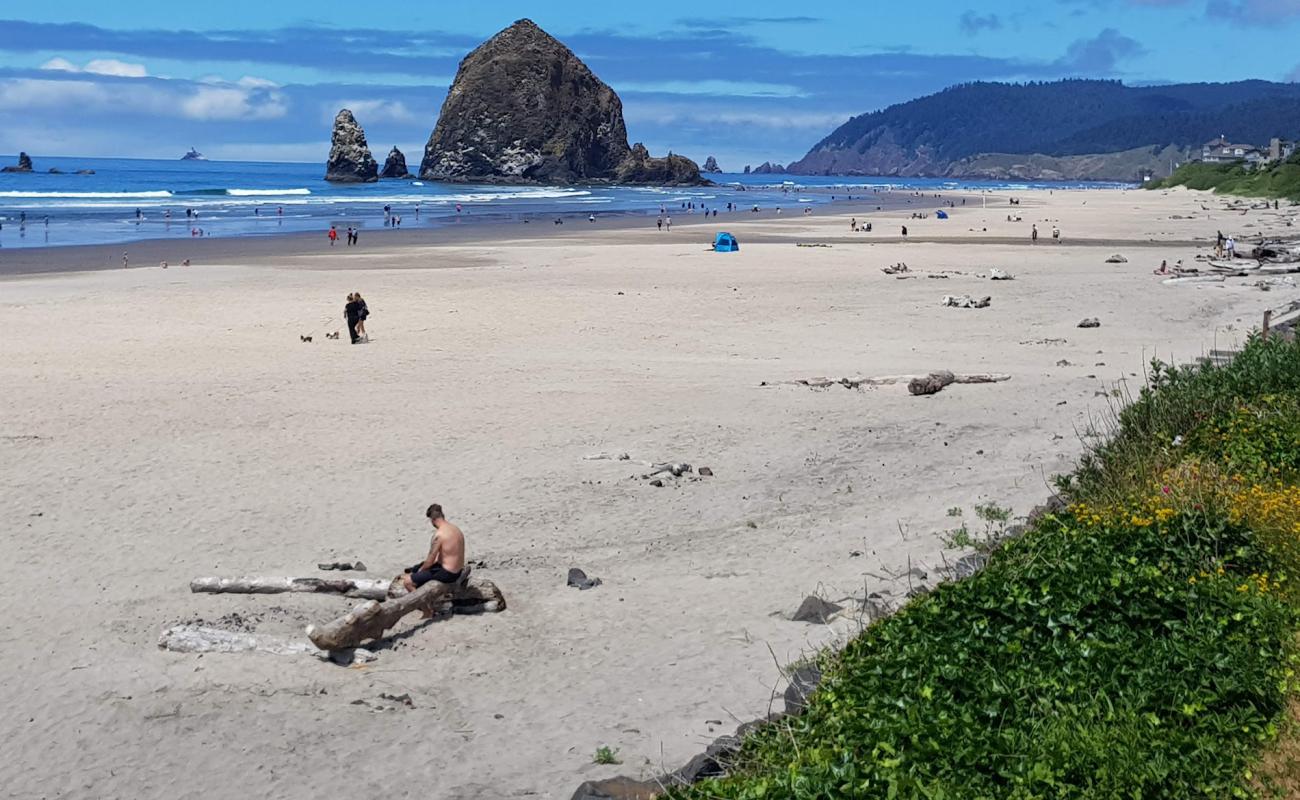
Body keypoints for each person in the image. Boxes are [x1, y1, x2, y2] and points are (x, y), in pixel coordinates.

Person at [400, 503, 466, 596]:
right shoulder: (456, 529)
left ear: (433, 519)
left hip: (448, 574)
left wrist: (421, 571)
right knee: (417, 567)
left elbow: (430, 560)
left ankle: (426, 609)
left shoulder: (439, 535)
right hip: (457, 571)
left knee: (408, 582)